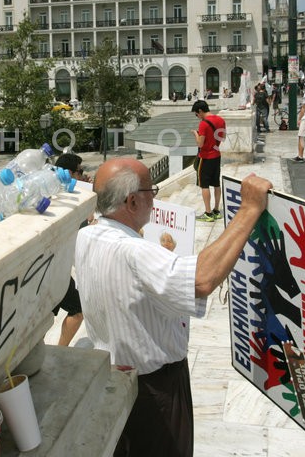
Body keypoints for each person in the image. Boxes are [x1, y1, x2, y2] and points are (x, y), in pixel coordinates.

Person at [74, 157, 273, 457]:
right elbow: (201, 281)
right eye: (150, 191)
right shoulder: (134, 252)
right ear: (131, 202)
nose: (154, 198)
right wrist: (248, 210)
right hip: (155, 391)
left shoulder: (86, 234)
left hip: (113, 379)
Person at [52, 152, 91, 346]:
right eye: (79, 172)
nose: (82, 175)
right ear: (68, 173)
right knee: (78, 309)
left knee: (43, 319)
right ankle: (60, 349)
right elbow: (83, 227)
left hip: (48, 265)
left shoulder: (52, 190)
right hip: (55, 268)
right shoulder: (67, 198)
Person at [191, 100, 226, 221]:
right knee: (216, 183)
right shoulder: (221, 120)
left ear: (200, 111)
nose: (197, 117)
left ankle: (208, 213)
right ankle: (216, 210)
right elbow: (223, 137)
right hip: (217, 155)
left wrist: (196, 134)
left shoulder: (203, 124)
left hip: (205, 157)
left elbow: (200, 143)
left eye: (196, 114)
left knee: (204, 185)